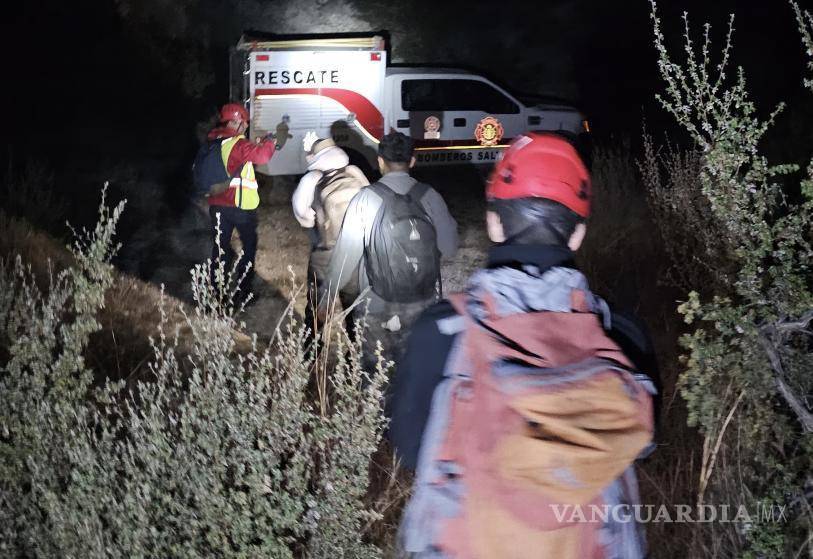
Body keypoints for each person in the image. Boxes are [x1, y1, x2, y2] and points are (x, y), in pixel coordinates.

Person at [389, 133, 657, 558]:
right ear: (577, 236)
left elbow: (410, 447)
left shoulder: (441, 331)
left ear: (494, 222)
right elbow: (637, 444)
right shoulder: (622, 335)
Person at [319, 131, 458, 371]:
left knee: (375, 374)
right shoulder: (430, 196)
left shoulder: (365, 198)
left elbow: (345, 257)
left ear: (380, 161)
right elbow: (450, 247)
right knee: (417, 370)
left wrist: (327, 294)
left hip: (376, 304)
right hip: (422, 302)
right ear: (412, 161)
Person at [292, 133, 370, 337]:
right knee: (354, 307)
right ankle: (356, 353)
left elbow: (304, 218)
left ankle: (312, 350)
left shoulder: (312, 179)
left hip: (325, 256)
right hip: (355, 255)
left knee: (317, 305)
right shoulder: (354, 172)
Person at [205, 103, 276, 304]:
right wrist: (270, 142)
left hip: (216, 205)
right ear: (235, 121)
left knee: (220, 248)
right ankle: (243, 292)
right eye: (244, 122)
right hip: (239, 207)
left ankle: (215, 295)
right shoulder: (237, 143)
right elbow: (263, 155)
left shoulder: (213, 140)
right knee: (249, 246)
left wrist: (255, 145)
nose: (245, 126)